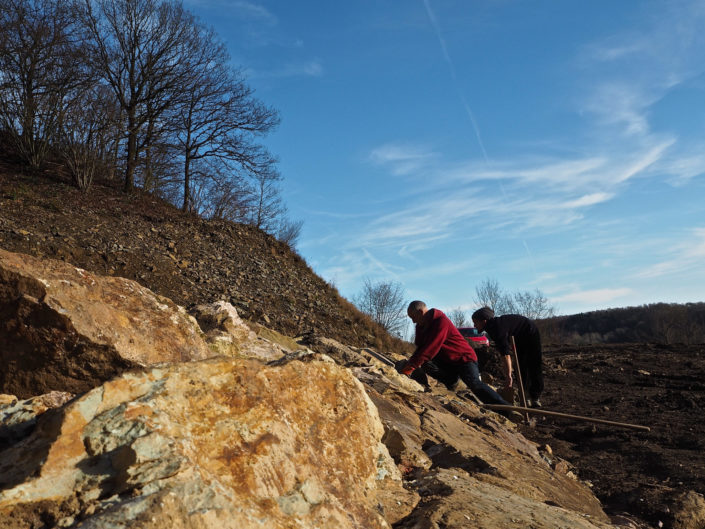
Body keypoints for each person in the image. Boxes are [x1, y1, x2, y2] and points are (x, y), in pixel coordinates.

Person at [396, 301, 510, 406]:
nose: (413, 321)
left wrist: (410, 368)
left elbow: (430, 348)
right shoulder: (421, 326)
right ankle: (452, 381)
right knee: (426, 364)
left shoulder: (441, 321)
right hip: (448, 361)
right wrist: (411, 362)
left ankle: (505, 408)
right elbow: (421, 348)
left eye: (414, 317)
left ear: (421, 312)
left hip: (464, 359)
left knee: (474, 384)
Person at [471, 307, 543, 408]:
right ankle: (526, 396)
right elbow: (503, 353)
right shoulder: (491, 328)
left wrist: (509, 376)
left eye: (475, 322)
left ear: (484, 321)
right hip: (518, 337)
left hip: (530, 332)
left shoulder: (497, 328)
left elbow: (505, 355)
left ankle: (535, 397)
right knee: (521, 366)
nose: (474, 325)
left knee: (534, 364)